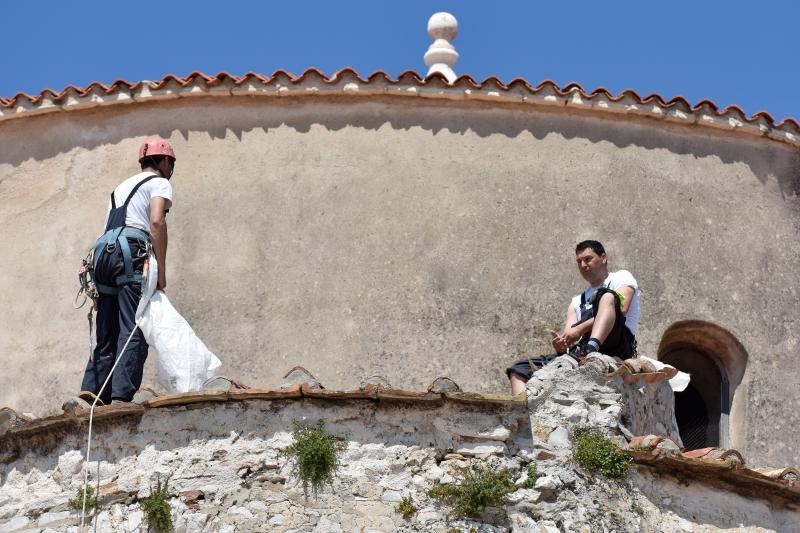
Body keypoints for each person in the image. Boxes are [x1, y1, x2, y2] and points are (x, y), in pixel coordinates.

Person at [79, 136, 175, 404]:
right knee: (134, 325)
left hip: (103, 255)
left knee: (107, 327)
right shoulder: (160, 183)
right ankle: (121, 394)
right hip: (131, 252)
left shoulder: (119, 188)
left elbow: (111, 227)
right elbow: (156, 221)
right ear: (166, 161)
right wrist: (162, 271)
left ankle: (95, 387)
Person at [507, 240, 640, 394]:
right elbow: (571, 333)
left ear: (603, 258)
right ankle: (522, 414)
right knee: (519, 369)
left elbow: (622, 309)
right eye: (579, 262)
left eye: (587, 259)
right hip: (582, 351)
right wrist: (562, 345)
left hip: (617, 341)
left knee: (607, 296)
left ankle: (592, 348)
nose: (583, 265)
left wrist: (580, 330)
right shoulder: (577, 301)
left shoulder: (620, 277)